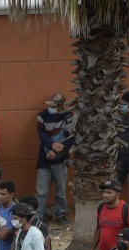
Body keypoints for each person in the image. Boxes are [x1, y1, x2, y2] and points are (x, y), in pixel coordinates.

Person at [35, 93, 74, 226]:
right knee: (41, 191)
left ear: (60, 105)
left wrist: (56, 150)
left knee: (61, 190)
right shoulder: (42, 116)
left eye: (54, 105)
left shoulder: (68, 116)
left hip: (61, 158)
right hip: (44, 158)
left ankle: (61, 215)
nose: (50, 107)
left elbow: (71, 137)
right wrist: (52, 146)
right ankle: (38, 216)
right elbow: (42, 134)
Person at [95, 179, 129, 250]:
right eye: (104, 192)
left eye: (109, 193)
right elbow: (99, 230)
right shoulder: (101, 207)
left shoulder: (128, 210)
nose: (105, 195)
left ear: (118, 195)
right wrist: (93, 249)